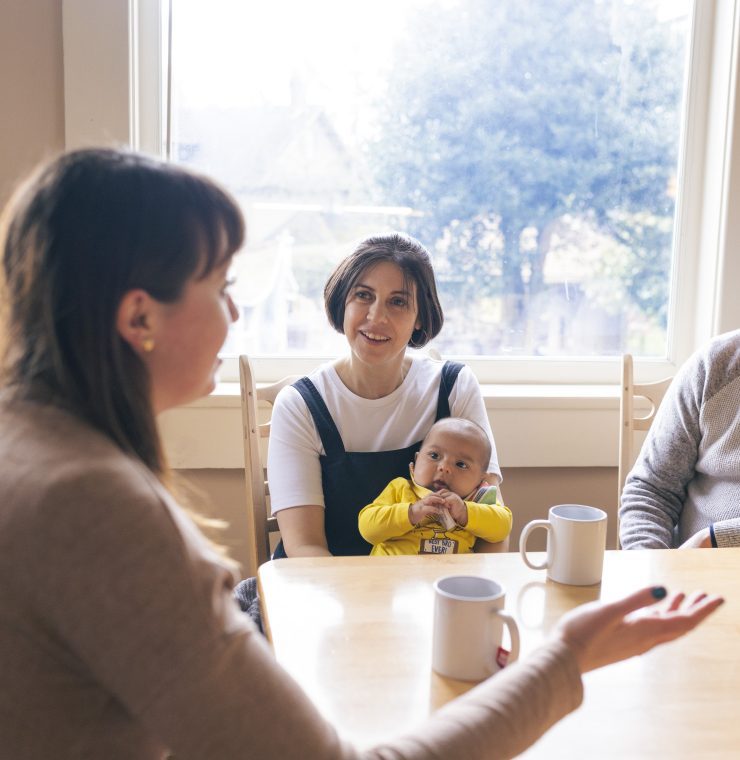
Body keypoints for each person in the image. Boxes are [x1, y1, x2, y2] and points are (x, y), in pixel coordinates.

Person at [0, 148, 724, 759]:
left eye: (399, 302)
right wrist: (563, 661)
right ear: (138, 316)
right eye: (220, 286)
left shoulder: (31, 446)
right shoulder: (96, 508)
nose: (235, 313)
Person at [267, 231, 504, 558]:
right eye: (363, 295)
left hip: (437, 592)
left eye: (398, 301)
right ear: (343, 302)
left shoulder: (454, 388)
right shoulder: (301, 405)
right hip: (329, 591)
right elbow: (305, 547)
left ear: (420, 315)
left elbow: (492, 525)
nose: (376, 317)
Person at [619, 330, 740, 549]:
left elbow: (707, 542)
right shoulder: (716, 365)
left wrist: (715, 539)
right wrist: (652, 569)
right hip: (690, 574)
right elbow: (651, 491)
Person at [358, 417, 512, 555]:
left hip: (450, 582)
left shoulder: (478, 498)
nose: (444, 467)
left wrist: (465, 512)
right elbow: (367, 528)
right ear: (417, 460)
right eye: (434, 456)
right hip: (393, 579)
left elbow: (503, 527)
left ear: (480, 479)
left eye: (461, 464)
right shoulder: (401, 488)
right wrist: (411, 513)